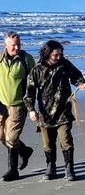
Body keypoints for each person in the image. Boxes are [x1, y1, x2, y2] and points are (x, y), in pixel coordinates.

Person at [24, 40, 85, 181]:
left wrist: (81, 83)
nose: (59, 57)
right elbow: (29, 92)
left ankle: (69, 169)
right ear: (47, 54)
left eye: (60, 54)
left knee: (66, 140)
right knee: (47, 143)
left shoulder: (64, 64)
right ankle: (51, 167)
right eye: (55, 55)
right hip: (45, 114)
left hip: (64, 110)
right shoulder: (37, 69)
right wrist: (31, 110)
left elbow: (76, 75)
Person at [0, 31, 35, 181]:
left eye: (18, 45)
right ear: (5, 45)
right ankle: (24, 151)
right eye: (13, 45)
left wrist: (32, 106)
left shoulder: (26, 59)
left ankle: (13, 170)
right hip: (1, 104)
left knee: (11, 138)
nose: (16, 48)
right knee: (2, 137)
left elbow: (34, 82)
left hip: (18, 104)